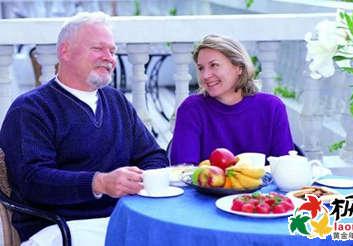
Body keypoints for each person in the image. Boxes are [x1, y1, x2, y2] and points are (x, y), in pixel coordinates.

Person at [0, 11, 168, 244]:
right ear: (65, 52)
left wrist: (143, 180)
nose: (108, 57)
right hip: (59, 226)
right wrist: (99, 183)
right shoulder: (31, 109)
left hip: (122, 217)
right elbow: (32, 180)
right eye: (98, 48)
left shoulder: (116, 101)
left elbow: (153, 155)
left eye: (112, 51)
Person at [170, 34, 294, 165]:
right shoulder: (191, 109)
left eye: (214, 65)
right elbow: (182, 171)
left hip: (264, 185)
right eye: (201, 68)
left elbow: (285, 168)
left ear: (239, 67)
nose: (205, 75)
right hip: (204, 186)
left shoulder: (272, 107)